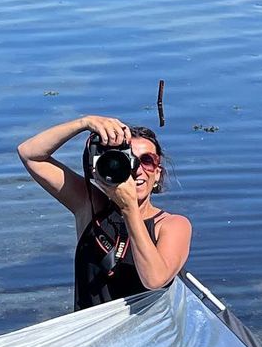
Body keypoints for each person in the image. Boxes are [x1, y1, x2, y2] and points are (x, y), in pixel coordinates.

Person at [16, 115, 192, 309]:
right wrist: (84, 123)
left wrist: (129, 208)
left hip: (148, 328)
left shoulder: (172, 225)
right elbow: (29, 154)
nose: (137, 170)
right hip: (94, 328)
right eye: (128, 159)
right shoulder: (91, 206)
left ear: (158, 173)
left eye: (147, 161)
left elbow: (154, 279)